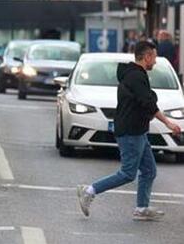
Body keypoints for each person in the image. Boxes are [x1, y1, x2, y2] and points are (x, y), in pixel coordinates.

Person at [76, 41, 182, 221]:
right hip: (131, 131)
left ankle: (141, 209)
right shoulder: (135, 76)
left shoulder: (134, 74)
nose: (155, 62)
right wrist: (168, 123)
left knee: (149, 170)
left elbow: (143, 101)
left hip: (138, 130)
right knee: (127, 173)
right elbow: (147, 102)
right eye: (154, 57)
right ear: (146, 56)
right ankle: (89, 191)